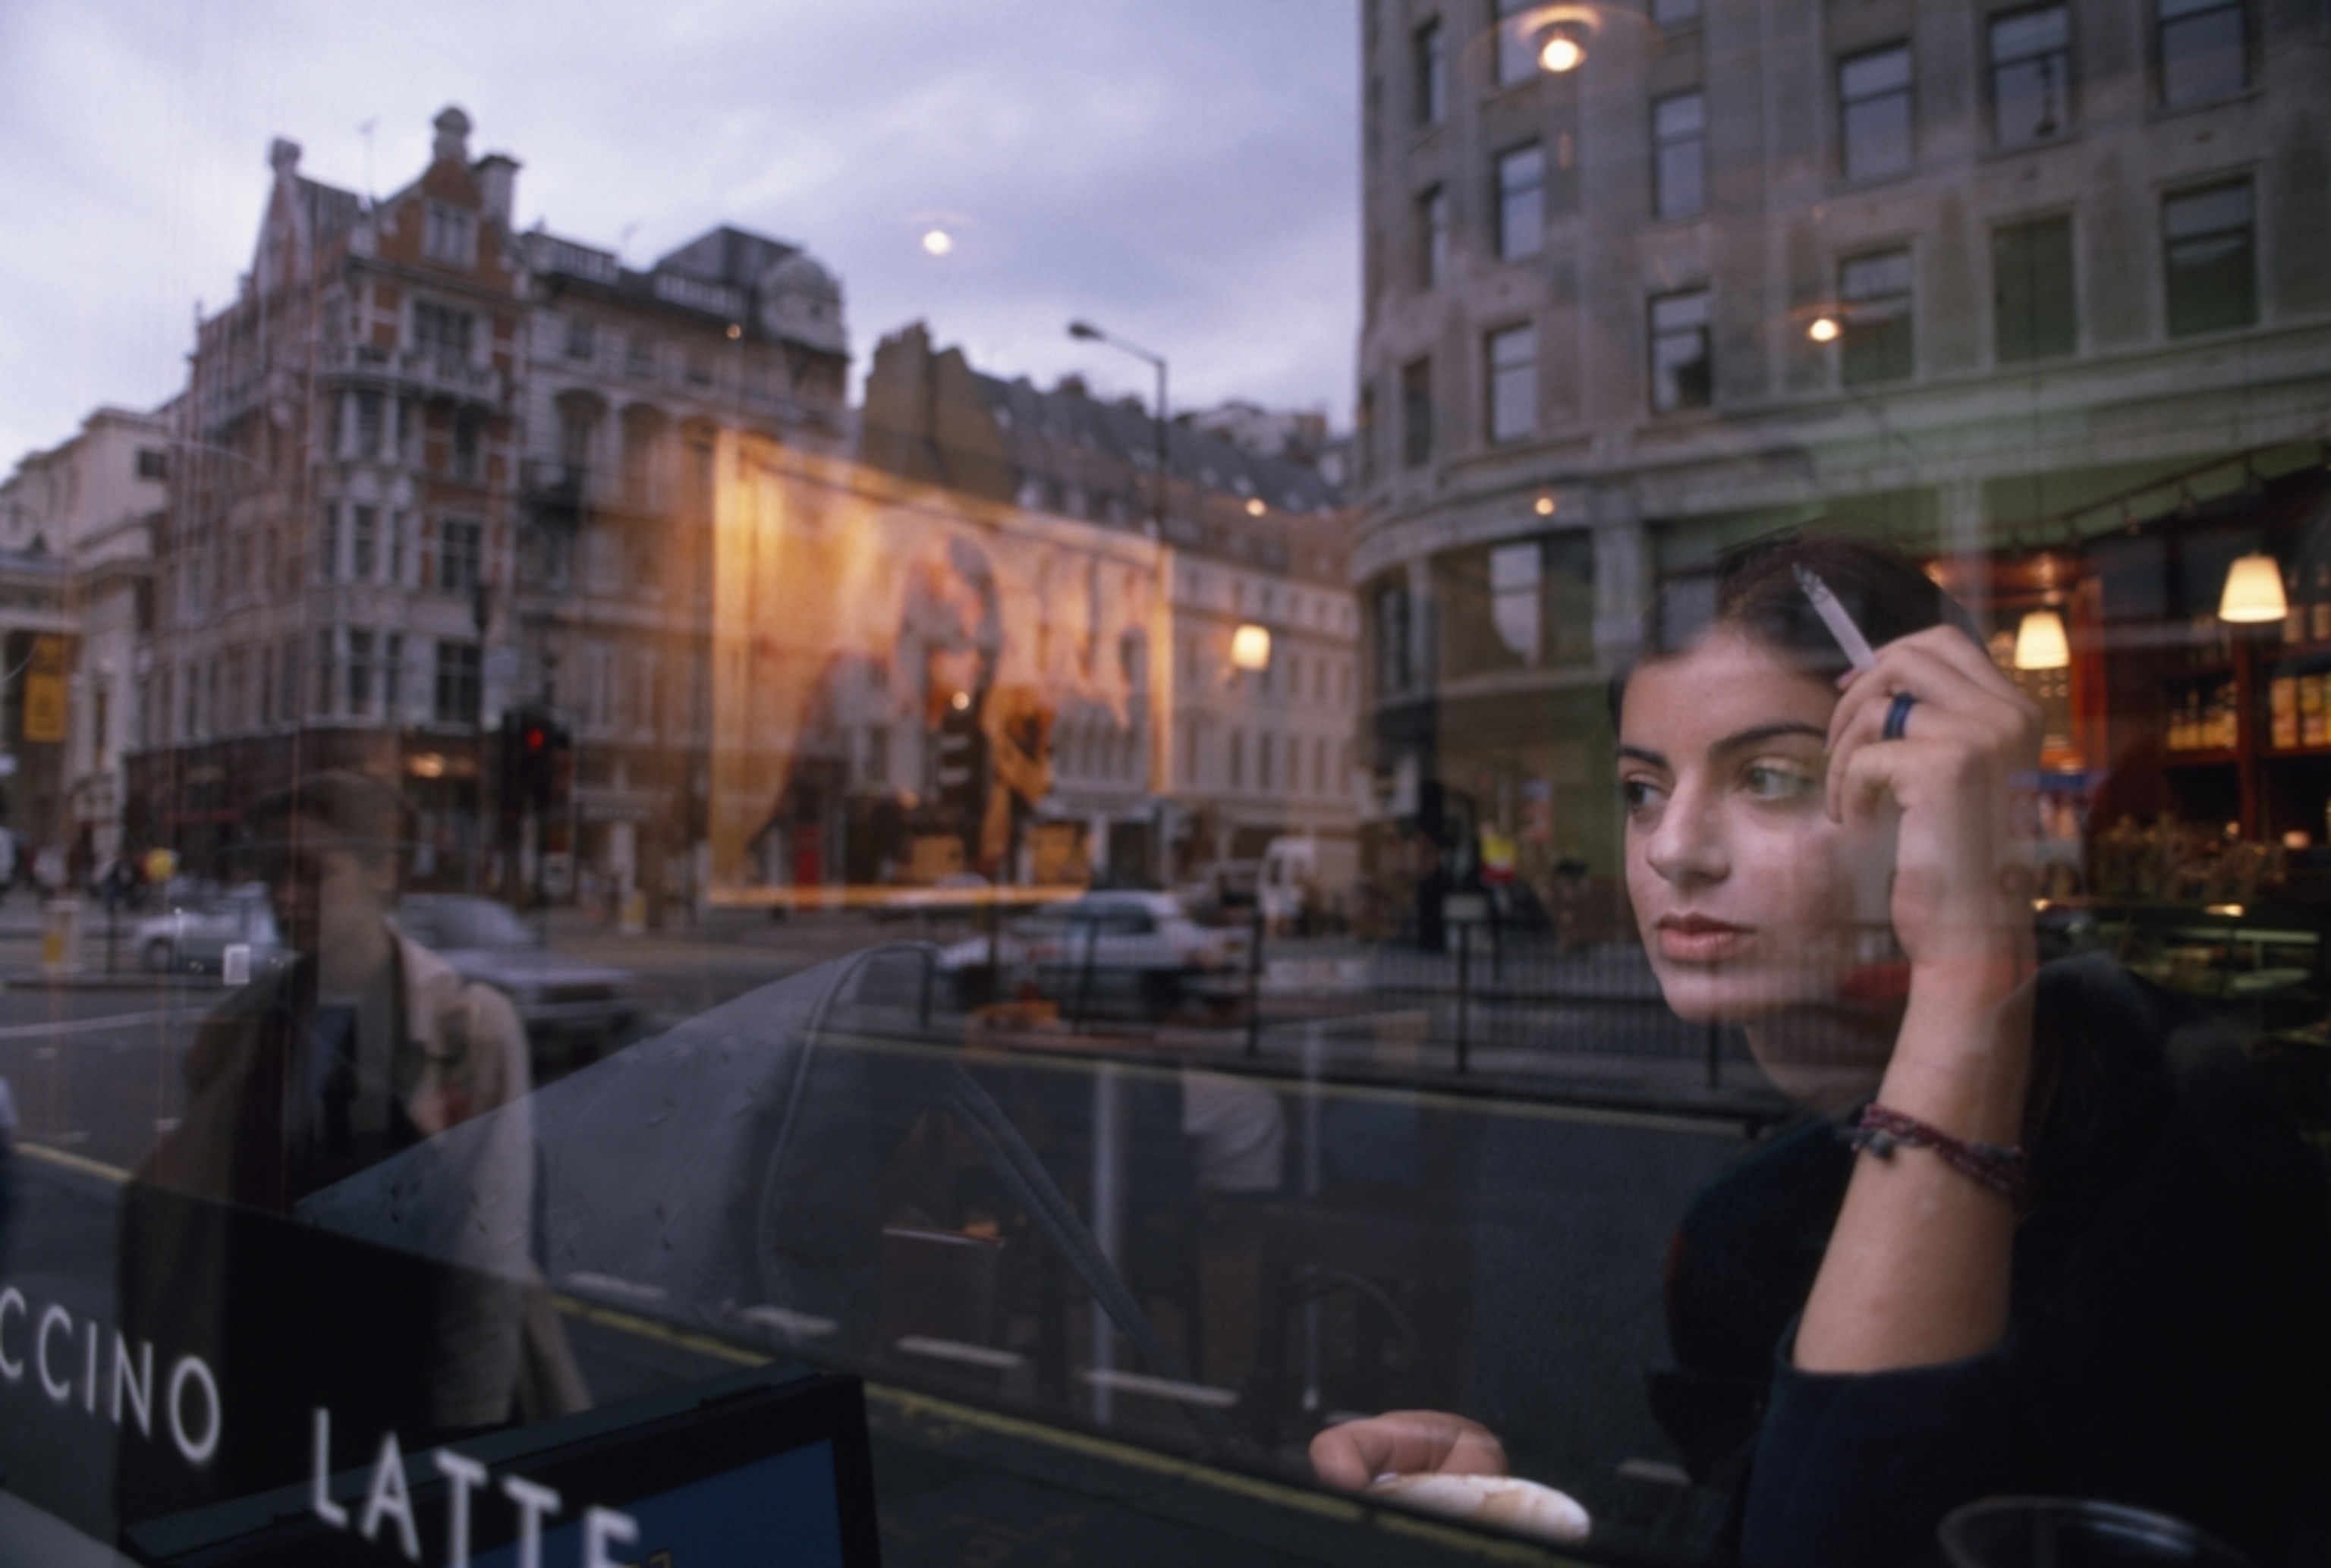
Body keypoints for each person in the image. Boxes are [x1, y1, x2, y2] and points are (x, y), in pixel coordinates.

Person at [1311, 534, 2331, 1566]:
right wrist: (1547, 1485)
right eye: (1640, 788)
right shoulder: (1608, 1150)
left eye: (1769, 776)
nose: (1673, 846)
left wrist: (1971, 945)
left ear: (1932, 792)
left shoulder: (2155, 1118)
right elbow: (1737, 1488)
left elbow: (1844, 1523)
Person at [117, 771, 584, 1520]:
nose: (286, 896)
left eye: (312, 872)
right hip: (264, 1404)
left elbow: (485, 1268)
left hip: (398, 1412)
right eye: (276, 873)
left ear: (383, 872)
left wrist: (456, 1459)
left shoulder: (471, 1029)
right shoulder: (245, 1026)